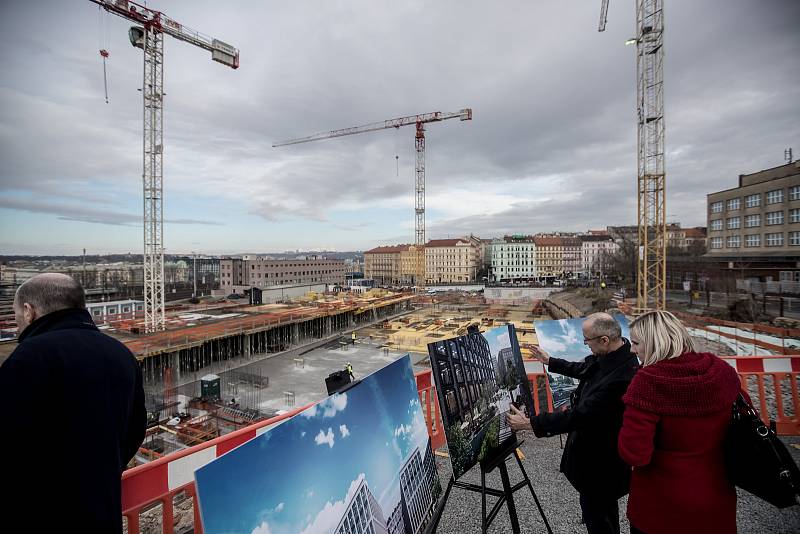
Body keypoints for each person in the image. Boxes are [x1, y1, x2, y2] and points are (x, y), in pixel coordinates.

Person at [0, 274, 146, 533]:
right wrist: (102, 468)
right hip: (104, 511)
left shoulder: (28, 359)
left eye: (16, 315)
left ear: (29, 311)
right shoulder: (120, 353)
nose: (18, 323)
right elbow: (135, 429)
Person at [508, 312, 638, 534]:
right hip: (598, 460)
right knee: (603, 512)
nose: (584, 344)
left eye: (586, 340)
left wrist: (531, 423)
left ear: (604, 340)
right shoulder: (614, 355)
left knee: (598, 518)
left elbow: (579, 416)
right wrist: (550, 361)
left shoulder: (622, 376)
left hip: (602, 464)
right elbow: (583, 369)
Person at [618, 310, 741, 534]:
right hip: (716, 498)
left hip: (661, 508)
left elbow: (635, 454)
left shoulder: (647, 382)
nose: (632, 349)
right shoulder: (721, 371)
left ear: (656, 343)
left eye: (636, 343)